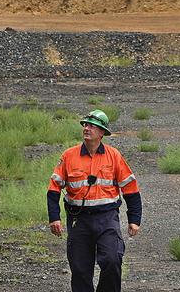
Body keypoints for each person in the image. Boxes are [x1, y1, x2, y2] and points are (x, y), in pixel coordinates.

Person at [47, 109, 142, 292]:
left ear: (101, 132)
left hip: (107, 219)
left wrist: (134, 220)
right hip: (78, 221)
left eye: (92, 126)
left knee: (113, 259)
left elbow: (130, 189)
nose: (86, 128)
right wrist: (54, 217)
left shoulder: (113, 156)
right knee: (80, 269)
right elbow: (53, 188)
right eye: (85, 125)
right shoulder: (69, 156)